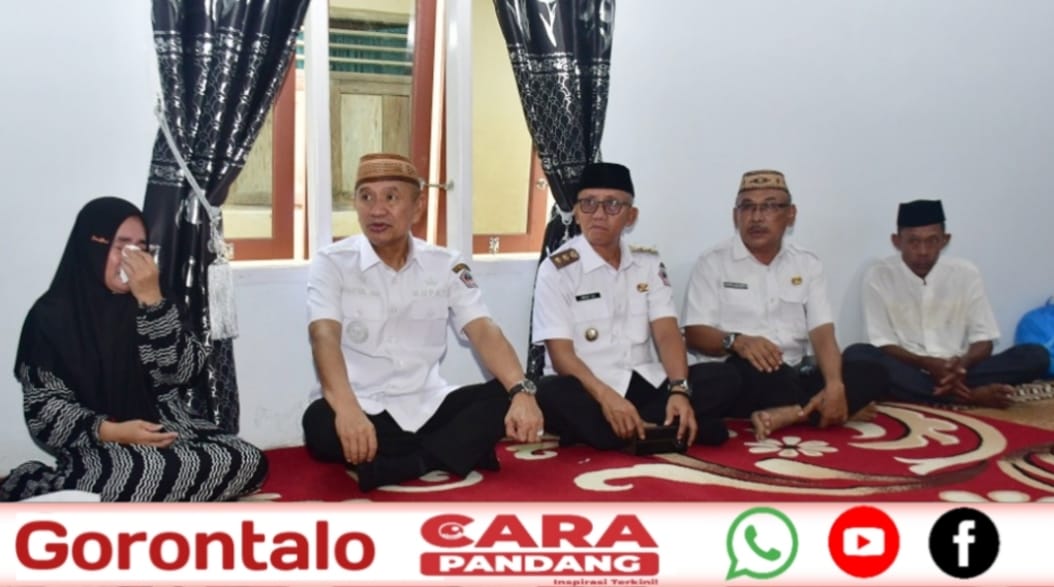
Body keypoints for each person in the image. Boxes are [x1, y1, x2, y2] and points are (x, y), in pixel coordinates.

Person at [301, 153, 544, 491]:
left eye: (391, 197)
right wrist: (347, 409)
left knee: (508, 394)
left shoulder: (445, 264)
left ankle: (406, 463)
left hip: (427, 403)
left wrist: (521, 391)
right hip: (362, 403)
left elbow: (483, 329)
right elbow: (323, 336)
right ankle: (449, 452)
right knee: (318, 425)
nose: (376, 210)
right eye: (366, 197)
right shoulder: (332, 262)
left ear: (418, 207)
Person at [0, 197, 267, 502]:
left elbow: (181, 372)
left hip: (167, 426)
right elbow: (44, 410)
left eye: (141, 247)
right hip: (97, 441)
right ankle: (44, 484)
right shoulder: (51, 317)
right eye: (122, 246)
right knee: (137, 474)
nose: (133, 258)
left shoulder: (156, 297)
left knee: (249, 460)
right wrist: (112, 431)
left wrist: (153, 304)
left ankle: (154, 494)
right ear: (92, 248)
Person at [531, 162, 734, 451]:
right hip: (589, 386)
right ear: (576, 211)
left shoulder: (647, 263)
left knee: (726, 377)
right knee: (550, 392)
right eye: (588, 203)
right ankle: (666, 429)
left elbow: (667, 333)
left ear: (631, 216)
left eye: (612, 205)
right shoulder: (557, 270)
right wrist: (607, 398)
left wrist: (679, 390)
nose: (598, 214)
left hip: (643, 380)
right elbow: (561, 356)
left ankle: (623, 431)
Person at [682, 170, 886, 440]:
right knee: (734, 375)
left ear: (791, 215)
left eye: (769, 206)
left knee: (872, 367)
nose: (756, 217)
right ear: (735, 216)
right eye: (747, 207)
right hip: (743, 375)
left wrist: (835, 385)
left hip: (795, 372)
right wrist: (738, 342)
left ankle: (793, 413)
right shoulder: (713, 262)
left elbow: (822, 334)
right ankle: (822, 409)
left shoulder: (807, 263)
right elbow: (694, 333)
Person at [844, 199, 1050, 408]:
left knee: (1036, 355)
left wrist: (960, 366)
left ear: (945, 240)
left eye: (932, 241)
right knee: (857, 355)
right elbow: (881, 343)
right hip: (909, 367)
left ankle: (932, 391)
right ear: (897, 241)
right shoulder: (879, 275)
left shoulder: (965, 273)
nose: (923, 251)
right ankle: (968, 396)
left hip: (960, 369)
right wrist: (926, 363)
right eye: (913, 242)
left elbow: (984, 340)